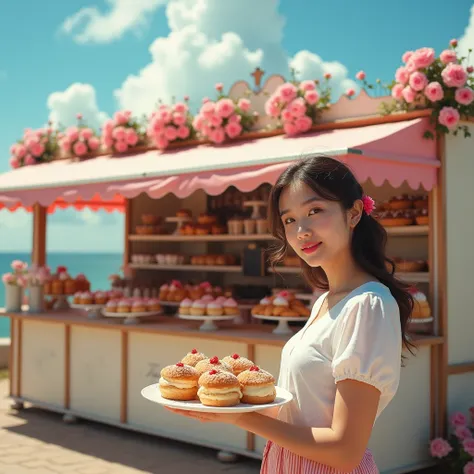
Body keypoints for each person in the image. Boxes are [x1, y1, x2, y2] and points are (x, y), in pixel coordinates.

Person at [167, 155, 414, 473]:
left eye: (314, 211)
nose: (301, 231)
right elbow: (302, 413)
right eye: (289, 220)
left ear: (353, 213)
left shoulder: (367, 306)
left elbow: (344, 450)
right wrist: (231, 401)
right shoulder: (325, 301)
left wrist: (243, 417)